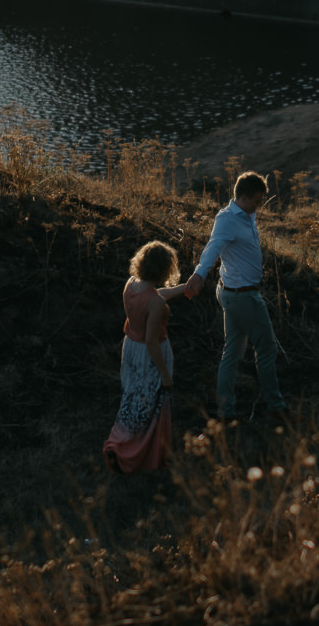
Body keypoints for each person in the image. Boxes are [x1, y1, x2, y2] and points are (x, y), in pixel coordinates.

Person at [180, 171, 285, 420]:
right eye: (258, 200)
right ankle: (277, 407)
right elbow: (213, 248)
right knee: (267, 348)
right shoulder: (227, 220)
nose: (260, 206)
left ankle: (226, 412)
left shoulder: (248, 214)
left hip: (235, 291)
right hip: (243, 297)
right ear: (244, 197)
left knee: (232, 353)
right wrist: (199, 274)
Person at [103, 240, 180, 473]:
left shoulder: (131, 284)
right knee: (149, 403)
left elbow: (155, 295)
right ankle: (130, 452)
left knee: (132, 399)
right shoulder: (155, 302)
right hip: (149, 354)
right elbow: (152, 340)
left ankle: (122, 442)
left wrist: (183, 288)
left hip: (131, 348)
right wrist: (166, 375)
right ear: (163, 269)